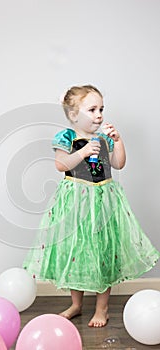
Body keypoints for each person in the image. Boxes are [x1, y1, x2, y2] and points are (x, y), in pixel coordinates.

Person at [23, 84, 160, 327]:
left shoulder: (105, 137)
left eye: (101, 109)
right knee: (76, 252)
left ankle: (102, 308)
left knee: (101, 253)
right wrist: (84, 151)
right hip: (76, 201)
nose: (99, 115)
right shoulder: (66, 137)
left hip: (103, 202)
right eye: (92, 109)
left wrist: (118, 142)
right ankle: (76, 304)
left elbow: (119, 164)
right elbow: (61, 164)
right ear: (74, 114)